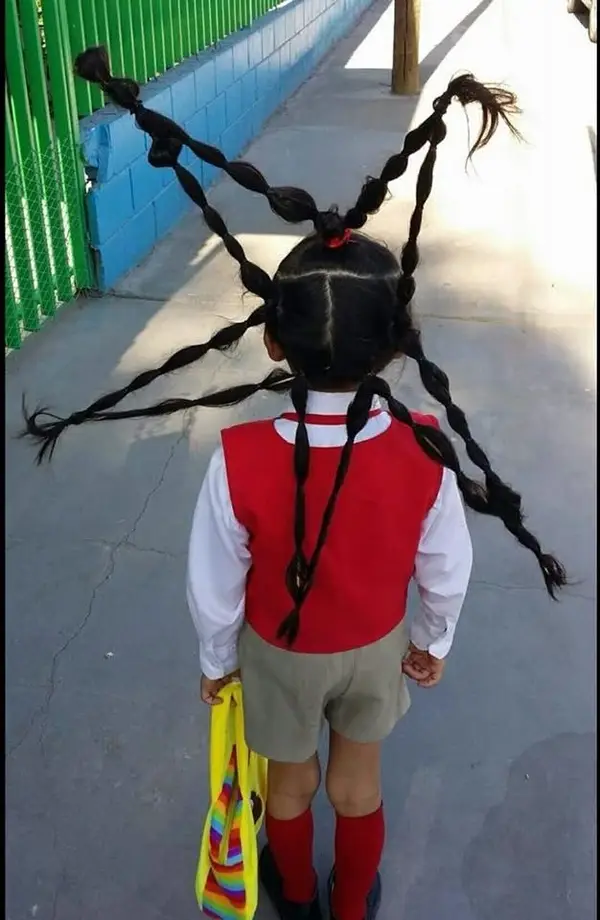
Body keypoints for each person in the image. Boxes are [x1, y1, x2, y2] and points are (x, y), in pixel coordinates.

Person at [22, 47, 567, 920]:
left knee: (288, 785)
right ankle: (353, 905)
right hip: (379, 640)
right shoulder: (426, 448)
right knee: (359, 786)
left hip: (278, 649)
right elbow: (447, 563)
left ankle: (295, 892)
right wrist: (434, 639)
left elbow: (213, 582)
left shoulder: (238, 459)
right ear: (397, 346)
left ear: (272, 343)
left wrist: (215, 662)